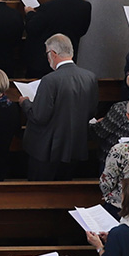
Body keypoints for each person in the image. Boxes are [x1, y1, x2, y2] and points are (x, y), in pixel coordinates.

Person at [23, 36, 95, 180]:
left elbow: (39, 116)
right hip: (74, 146)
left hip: (48, 149)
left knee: (40, 189)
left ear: (53, 54)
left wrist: (25, 103)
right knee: (65, 187)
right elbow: (91, 111)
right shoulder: (90, 77)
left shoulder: (49, 80)